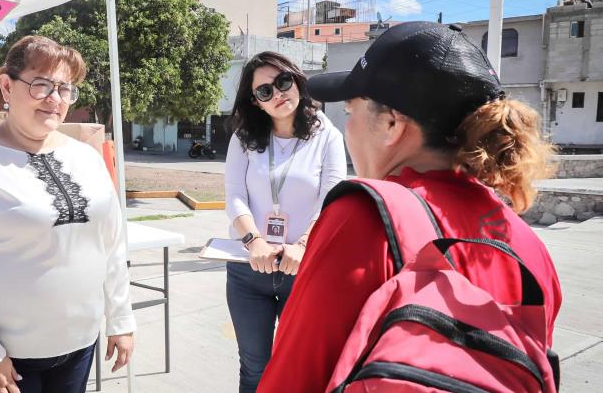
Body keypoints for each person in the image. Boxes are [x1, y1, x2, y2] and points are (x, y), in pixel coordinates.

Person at [258, 22, 562, 392]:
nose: (347, 128)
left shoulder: (365, 219)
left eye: (351, 112)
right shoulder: (528, 245)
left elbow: (294, 378)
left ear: (390, 123)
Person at [0, 36, 135, 393]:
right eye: (40, 85)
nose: (55, 99)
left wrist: (121, 319)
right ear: (7, 85)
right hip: (4, 362)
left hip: (78, 349)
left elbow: (111, 245)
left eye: (65, 88)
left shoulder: (86, 158)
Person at [224, 51, 347, 392]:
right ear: (256, 102)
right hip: (249, 272)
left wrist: (304, 243)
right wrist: (255, 242)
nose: (277, 94)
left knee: (302, 368)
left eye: (282, 82)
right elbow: (234, 195)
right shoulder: (244, 137)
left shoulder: (327, 134)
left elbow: (332, 197)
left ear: (296, 80)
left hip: (304, 270)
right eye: (265, 91)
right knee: (254, 369)